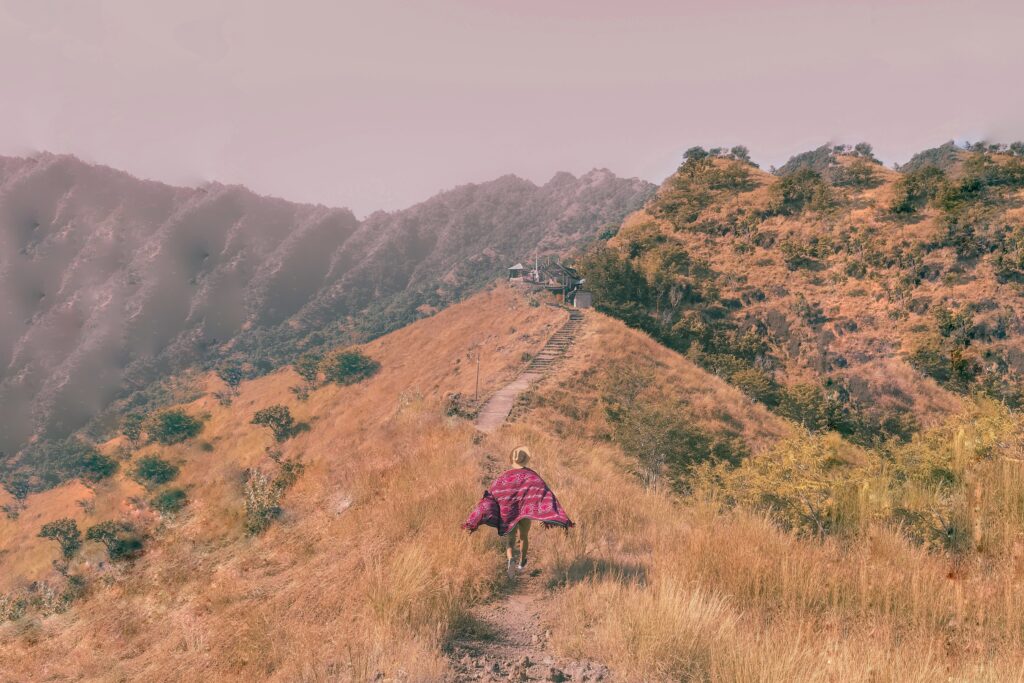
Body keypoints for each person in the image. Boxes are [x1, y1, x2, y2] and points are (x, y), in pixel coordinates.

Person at [462, 446, 574, 574]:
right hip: (525, 512)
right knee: (524, 536)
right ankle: (522, 563)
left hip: (508, 512)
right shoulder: (531, 476)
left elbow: (492, 493)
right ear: (525, 460)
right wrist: (549, 512)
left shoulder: (504, 476)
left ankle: (510, 560)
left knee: (510, 540)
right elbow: (542, 491)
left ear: (513, 461)